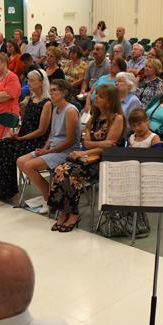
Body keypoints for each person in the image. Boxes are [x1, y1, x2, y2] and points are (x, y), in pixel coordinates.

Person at [47, 83, 123, 232]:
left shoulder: (117, 118)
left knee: (70, 173)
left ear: (110, 100)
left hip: (103, 160)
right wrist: (98, 144)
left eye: (101, 96)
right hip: (87, 156)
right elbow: (87, 142)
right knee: (59, 170)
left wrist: (86, 150)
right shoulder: (94, 117)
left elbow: (108, 148)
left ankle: (73, 214)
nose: (96, 98)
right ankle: (65, 212)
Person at [0, 70, 52, 201]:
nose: (28, 83)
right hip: (24, 137)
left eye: (32, 80)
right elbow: (25, 123)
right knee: (0, 145)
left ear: (41, 83)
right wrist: (15, 132)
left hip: (36, 141)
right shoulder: (32, 99)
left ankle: (5, 189)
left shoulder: (47, 103)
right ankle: (3, 187)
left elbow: (41, 130)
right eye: (28, 80)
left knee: (8, 149)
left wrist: (21, 138)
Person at [16, 79, 81, 205]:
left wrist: (48, 151)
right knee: (20, 161)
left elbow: (70, 140)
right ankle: (50, 193)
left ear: (64, 93)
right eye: (50, 90)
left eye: (54, 90)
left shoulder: (70, 111)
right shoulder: (55, 109)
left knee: (29, 166)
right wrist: (43, 149)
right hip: (52, 148)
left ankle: (48, 197)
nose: (50, 93)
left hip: (66, 151)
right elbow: (52, 134)